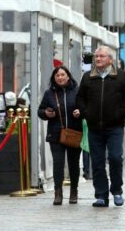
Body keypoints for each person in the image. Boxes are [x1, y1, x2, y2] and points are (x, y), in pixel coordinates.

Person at [75, 45, 125, 207]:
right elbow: (80, 98)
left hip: (114, 126)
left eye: (102, 56)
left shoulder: (121, 77)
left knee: (115, 158)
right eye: (96, 56)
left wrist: (120, 113)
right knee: (97, 161)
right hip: (94, 127)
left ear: (110, 59)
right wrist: (86, 112)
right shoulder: (88, 77)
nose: (98, 59)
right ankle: (101, 195)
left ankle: (117, 191)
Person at [37, 65, 82, 205]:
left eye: (63, 75)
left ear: (68, 76)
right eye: (57, 76)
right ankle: (58, 193)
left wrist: (80, 112)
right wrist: (46, 113)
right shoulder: (49, 93)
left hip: (74, 132)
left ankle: (74, 191)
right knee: (58, 163)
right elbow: (40, 111)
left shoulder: (77, 91)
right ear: (54, 78)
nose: (60, 78)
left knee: (74, 164)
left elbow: (86, 106)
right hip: (56, 134)